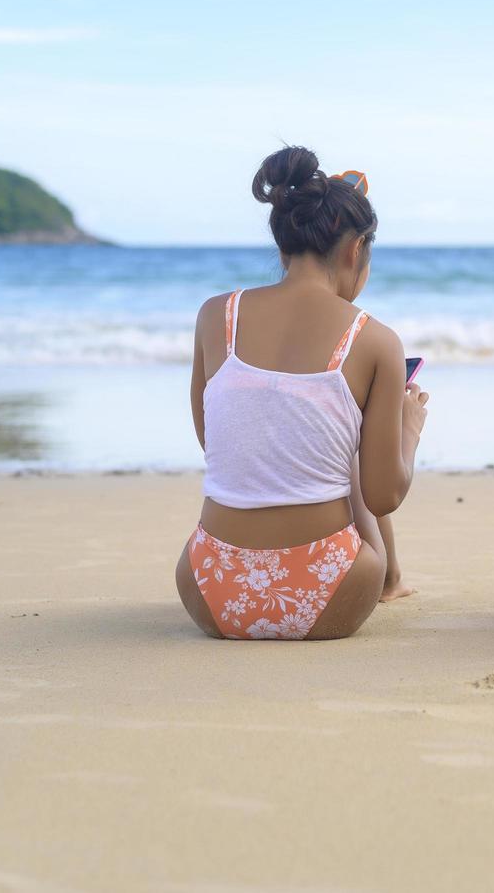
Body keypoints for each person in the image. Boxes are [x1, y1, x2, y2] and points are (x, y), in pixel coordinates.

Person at [175, 146, 426, 640]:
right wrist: (407, 430)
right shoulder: (375, 339)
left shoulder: (215, 315)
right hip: (330, 588)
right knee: (355, 461)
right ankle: (392, 580)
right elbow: (385, 494)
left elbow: (219, 444)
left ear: (284, 246)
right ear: (356, 251)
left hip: (208, 588)